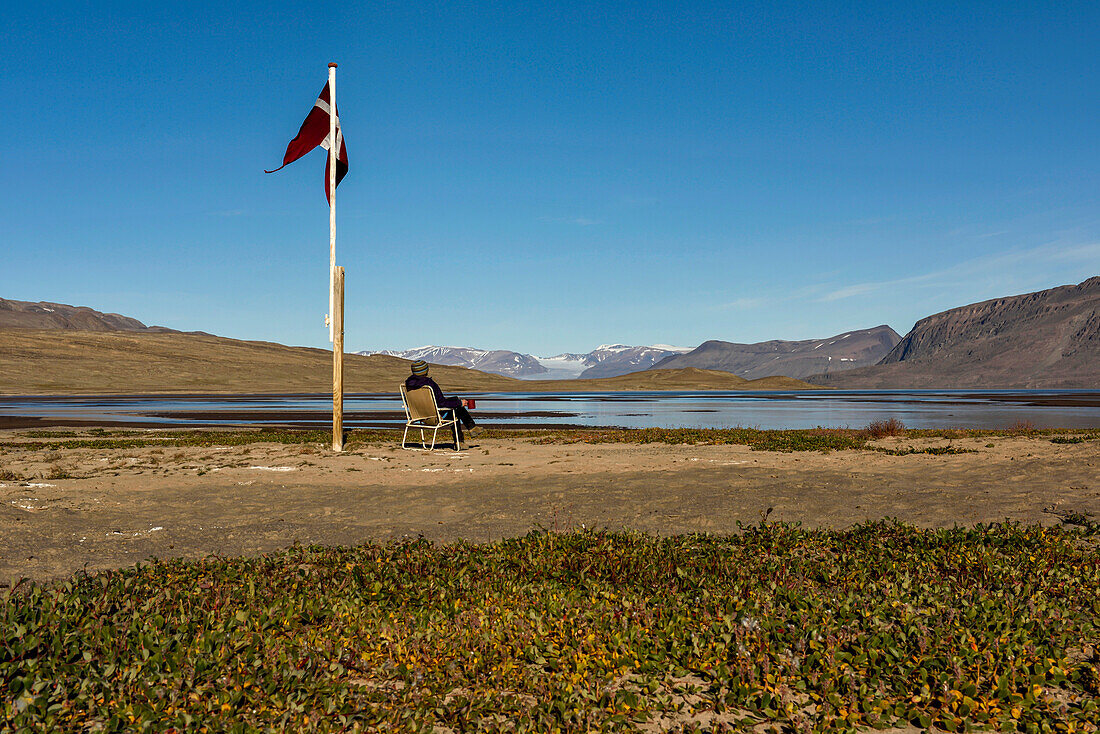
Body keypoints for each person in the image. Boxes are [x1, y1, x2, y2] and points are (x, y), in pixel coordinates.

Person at [404, 360, 481, 439]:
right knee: (457, 409)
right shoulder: (430, 384)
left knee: (455, 400)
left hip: (418, 416)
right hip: (434, 417)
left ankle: (471, 430)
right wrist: (460, 403)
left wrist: (457, 401)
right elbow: (441, 403)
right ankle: (467, 433)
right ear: (426, 370)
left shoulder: (407, 385)